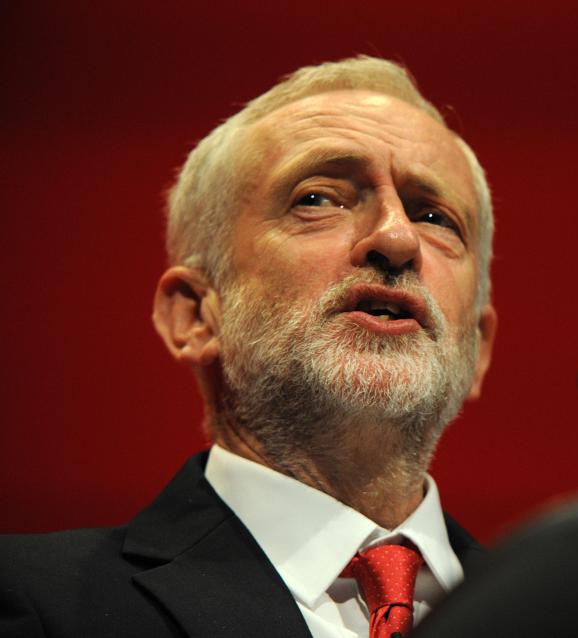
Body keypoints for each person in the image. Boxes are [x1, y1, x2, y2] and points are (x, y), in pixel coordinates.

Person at [0, 55, 497, 638]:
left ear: (478, 348)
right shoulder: (34, 606)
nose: (395, 237)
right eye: (317, 199)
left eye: (434, 215)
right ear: (194, 315)